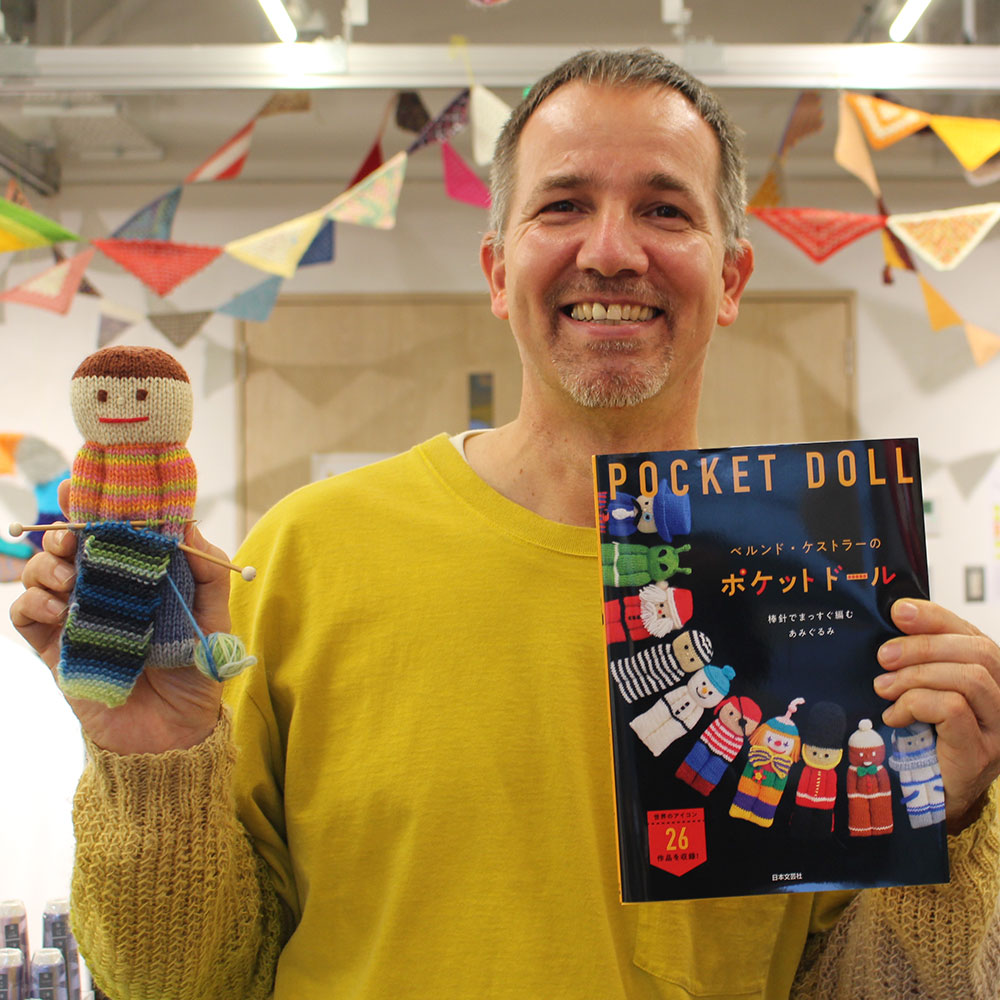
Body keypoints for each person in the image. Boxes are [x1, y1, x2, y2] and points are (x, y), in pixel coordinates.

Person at [11, 48, 1000, 1000]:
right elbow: (176, 985)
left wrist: (949, 821)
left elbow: (868, 988)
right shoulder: (305, 555)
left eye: (663, 209)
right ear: (496, 270)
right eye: (563, 205)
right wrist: (150, 765)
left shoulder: (829, 599)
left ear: (731, 278)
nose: (610, 252)